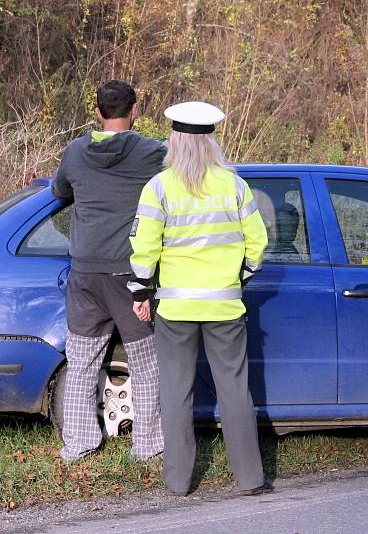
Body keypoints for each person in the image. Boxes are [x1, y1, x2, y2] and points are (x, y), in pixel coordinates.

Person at [127, 101, 271, 495]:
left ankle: (178, 482)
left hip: (175, 309)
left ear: (173, 141)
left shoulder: (158, 187)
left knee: (176, 391)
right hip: (225, 306)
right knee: (235, 389)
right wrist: (240, 275)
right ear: (211, 141)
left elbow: (145, 248)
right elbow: (257, 244)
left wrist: (141, 290)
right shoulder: (235, 185)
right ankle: (251, 479)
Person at [52, 79, 166, 462]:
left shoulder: (74, 153)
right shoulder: (152, 153)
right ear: (135, 110)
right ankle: (148, 446)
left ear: (98, 113)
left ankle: (80, 443)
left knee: (82, 360)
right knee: (146, 363)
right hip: (128, 275)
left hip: (84, 272)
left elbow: (59, 192)